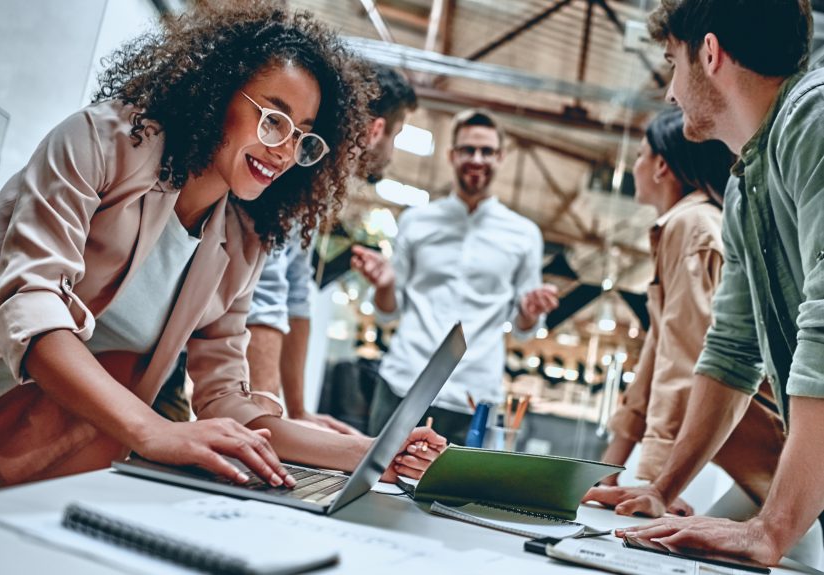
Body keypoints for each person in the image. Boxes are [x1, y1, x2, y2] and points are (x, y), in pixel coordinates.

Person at [0, 3, 444, 487]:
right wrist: (153, 430)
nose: (283, 150)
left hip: (60, 449)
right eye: (273, 119)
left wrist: (373, 452)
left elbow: (228, 399)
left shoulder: (243, 240)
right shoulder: (100, 143)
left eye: (303, 138)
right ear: (215, 92)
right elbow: (31, 304)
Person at [588, 0, 824, 566]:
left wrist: (772, 527)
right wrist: (661, 491)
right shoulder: (746, 186)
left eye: (673, 63)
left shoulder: (813, 119)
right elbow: (732, 350)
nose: (670, 92)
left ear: (710, 54)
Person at [589, 109, 785, 519]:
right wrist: (608, 470)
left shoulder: (691, 226)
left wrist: (655, 484)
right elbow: (655, 359)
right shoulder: (684, 226)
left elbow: (684, 358)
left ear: (662, 165)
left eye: (640, 155)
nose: (636, 165)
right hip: (758, 459)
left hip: (774, 453)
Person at [352, 108, 560, 444]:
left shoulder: (525, 234)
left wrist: (529, 312)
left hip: (474, 395)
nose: (477, 159)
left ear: (501, 157)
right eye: (467, 149)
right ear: (451, 155)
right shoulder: (416, 221)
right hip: (404, 382)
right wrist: (386, 285)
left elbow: (524, 330)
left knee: (455, 495)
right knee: (377, 485)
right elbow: (388, 310)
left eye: (487, 151)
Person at [244, 65, 417, 434]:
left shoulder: (320, 186)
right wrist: (270, 419)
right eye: (397, 135)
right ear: (376, 130)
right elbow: (267, 292)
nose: (391, 151)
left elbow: (295, 293)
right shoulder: (297, 169)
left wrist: (297, 411)